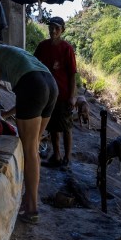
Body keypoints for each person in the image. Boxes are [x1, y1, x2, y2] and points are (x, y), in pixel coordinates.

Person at [0, 42, 58, 224]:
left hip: (33, 85)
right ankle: (28, 201)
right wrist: (5, 115)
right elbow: (32, 96)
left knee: (29, 150)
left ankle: (32, 208)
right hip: (51, 85)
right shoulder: (17, 55)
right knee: (34, 148)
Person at [34, 16, 77, 169]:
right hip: (47, 94)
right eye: (51, 27)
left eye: (57, 28)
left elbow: (72, 74)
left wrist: (72, 97)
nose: (53, 30)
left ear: (62, 30)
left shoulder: (67, 48)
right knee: (51, 126)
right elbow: (35, 66)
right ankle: (56, 156)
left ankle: (67, 158)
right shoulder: (42, 46)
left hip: (63, 94)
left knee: (66, 127)